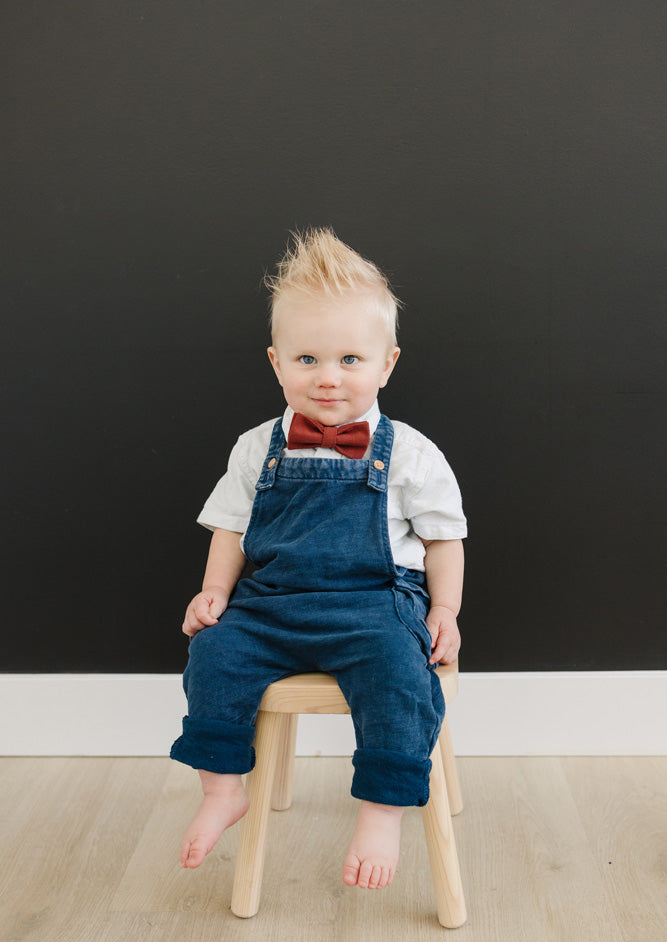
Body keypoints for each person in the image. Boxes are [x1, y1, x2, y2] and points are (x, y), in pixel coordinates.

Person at [170, 228, 466, 891]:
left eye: (349, 360)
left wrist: (443, 608)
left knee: (399, 675)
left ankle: (382, 811)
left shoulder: (409, 452)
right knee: (213, 655)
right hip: (271, 602)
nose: (327, 377)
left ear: (386, 364)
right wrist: (214, 590)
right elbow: (228, 526)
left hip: (374, 605)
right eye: (307, 358)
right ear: (276, 363)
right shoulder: (257, 447)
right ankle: (222, 789)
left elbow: (445, 539)